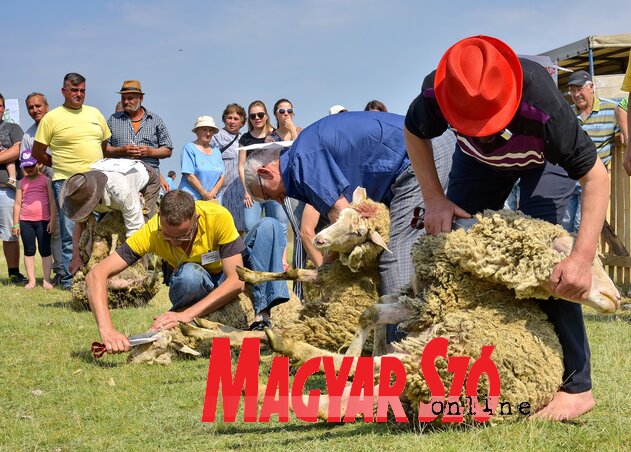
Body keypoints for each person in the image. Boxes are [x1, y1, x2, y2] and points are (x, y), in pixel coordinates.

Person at [404, 35, 610, 421]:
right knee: (450, 247)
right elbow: (413, 132)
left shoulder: (544, 103)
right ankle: (451, 362)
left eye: (488, 120)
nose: (482, 127)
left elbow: (597, 178)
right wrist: (434, 199)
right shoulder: (438, 91)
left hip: (544, 161)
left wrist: (581, 259)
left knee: (547, 262)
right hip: (478, 163)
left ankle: (577, 388)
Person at [243, 111, 455, 310]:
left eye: (267, 195)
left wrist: (327, 271)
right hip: (421, 148)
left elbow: (347, 222)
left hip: (419, 152)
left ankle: (400, 340)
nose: (278, 202)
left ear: (266, 172)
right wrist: (328, 265)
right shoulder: (302, 156)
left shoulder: (301, 163)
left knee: (394, 257)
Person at [85, 190, 290, 353]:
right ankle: (186, 320)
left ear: (197, 218)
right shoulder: (151, 231)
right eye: (168, 236)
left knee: (270, 225)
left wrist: (185, 316)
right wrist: (107, 330)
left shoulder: (217, 217)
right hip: (197, 282)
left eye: (183, 235)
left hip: (225, 275)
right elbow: (96, 274)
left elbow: (236, 282)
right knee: (189, 275)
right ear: (159, 218)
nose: (175, 242)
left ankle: (262, 317)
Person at [32, 72, 112, 290]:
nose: (79, 94)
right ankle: (70, 281)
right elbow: (38, 152)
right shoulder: (52, 118)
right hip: (66, 181)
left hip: (96, 181)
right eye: (74, 90)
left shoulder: (95, 113)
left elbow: (104, 146)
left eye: (83, 90)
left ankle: (95, 277)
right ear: (63, 91)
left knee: (97, 232)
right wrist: (58, 163)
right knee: (70, 233)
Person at [59, 159, 161, 274]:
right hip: (112, 186)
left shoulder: (121, 190)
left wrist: (127, 268)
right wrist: (76, 257)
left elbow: (135, 231)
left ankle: (144, 274)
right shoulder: (81, 190)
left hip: (145, 179)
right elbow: (80, 224)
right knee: (101, 234)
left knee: (144, 232)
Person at [562, 70, 619, 233]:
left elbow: (625, 121)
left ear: (591, 87)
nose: (576, 94)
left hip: (592, 180)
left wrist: (622, 132)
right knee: (564, 225)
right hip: (569, 179)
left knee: (582, 226)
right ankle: (568, 257)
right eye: (572, 90)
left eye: (580, 88)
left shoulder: (610, 109)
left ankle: (583, 258)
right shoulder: (567, 114)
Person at [20, 92, 64, 285]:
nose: (35, 110)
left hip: (67, 181)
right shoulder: (28, 135)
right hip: (45, 188)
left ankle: (77, 268)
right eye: (31, 107)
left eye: (38, 106)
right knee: (54, 230)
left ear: (47, 106)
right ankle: (61, 271)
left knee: (74, 228)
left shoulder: (60, 123)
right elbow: (25, 167)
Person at [105, 80, 174, 191]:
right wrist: (122, 150)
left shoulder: (155, 120)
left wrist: (149, 152)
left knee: (147, 209)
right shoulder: (113, 120)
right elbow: (104, 150)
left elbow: (168, 150)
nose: (126, 102)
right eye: (123, 98)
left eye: (130, 98)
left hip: (149, 180)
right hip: (121, 180)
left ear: (141, 98)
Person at [238, 101, 288, 238]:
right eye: (253, 116)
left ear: (266, 116)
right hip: (253, 190)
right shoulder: (245, 138)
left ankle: (279, 259)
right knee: (250, 225)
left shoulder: (276, 135)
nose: (257, 118)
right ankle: (254, 257)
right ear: (249, 119)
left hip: (274, 187)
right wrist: (247, 190)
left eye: (260, 114)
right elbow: (241, 165)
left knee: (280, 224)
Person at [12, 150, 56, 289]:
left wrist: (52, 220)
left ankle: (46, 280)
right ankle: (31, 280)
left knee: (45, 250)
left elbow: (52, 202)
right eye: (26, 166)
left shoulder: (46, 180)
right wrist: (16, 224)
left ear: (39, 164)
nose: (29, 169)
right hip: (26, 222)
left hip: (43, 221)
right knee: (29, 250)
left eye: (31, 165)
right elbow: (17, 204)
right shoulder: (21, 183)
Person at [0, 92, 26, 284]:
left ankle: (14, 272)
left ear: (4, 109)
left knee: (10, 232)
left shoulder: (12, 128)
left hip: (6, 189)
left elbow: (18, 150)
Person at [211, 103, 246, 233]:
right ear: (224, 119)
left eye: (236, 119)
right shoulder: (216, 136)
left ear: (242, 123)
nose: (232, 122)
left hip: (239, 191)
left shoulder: (244, 139)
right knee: (220, 228)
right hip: (220, 190)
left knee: (239, 228)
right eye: (229, 118)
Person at [178, 116, 224, 203]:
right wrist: (204, 193)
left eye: (210, 130)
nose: (208, 133)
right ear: (197, 131)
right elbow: (189, 174)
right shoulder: (189, 148)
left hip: (213, 199)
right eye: (204, 130)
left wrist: (211, 195)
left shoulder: (217, 151)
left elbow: (222, 176)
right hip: (191, 199)